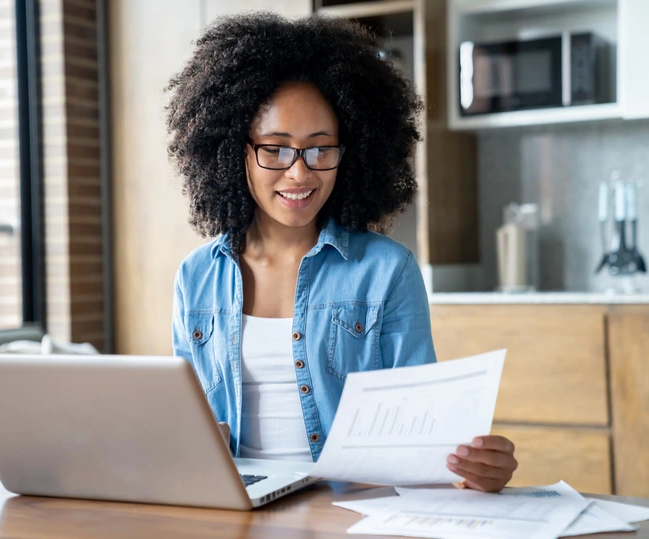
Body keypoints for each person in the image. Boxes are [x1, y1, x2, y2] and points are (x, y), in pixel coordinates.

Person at [166, 13, 517, 493]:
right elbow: (187, 430)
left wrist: (470, 471)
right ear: (235, 151)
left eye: (320, 149)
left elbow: (423, 440)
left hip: (352, 514)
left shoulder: (387, 271)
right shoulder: (196, 277)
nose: (299, 173)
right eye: (275, 149)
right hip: (235, 511)